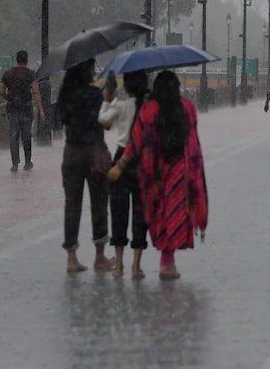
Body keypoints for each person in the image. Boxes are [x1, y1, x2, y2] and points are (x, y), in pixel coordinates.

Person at [109, 71, 208, 281]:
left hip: (154, 172)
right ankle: (167, 262)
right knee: (174, 213)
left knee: (160, 214)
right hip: (180, 170)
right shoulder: (187, 107)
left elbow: (135, 141)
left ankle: (158, 260)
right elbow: (192, 139)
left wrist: (120, 165)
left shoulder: (148, 109)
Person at [57, 58, 112, 274]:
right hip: (95, 152)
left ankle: (72, 257)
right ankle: (100, 256)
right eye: (91, 67)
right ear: (85, 71)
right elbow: (104, 122)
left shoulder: (66, 96)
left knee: (72, 204)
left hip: (72, 153)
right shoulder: (94, 95)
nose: (94, 71)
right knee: (99, 202)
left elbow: (61, 121)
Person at [99, 70, 149, 279]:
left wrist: (108, 99)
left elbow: (104, 122)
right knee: (140, 213)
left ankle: (118, 265)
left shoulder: (120, 105)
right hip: (143, 161)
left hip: (121, 159)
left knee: (118, 211)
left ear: (126, 86)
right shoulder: (149, 107)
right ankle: (136, 266)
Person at [0, 50, 44, 172]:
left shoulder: (8, 74)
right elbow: (35, 91)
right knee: (26, 135)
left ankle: (15, 164)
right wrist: (41, 110)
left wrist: (9, 98)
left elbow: (1, 91)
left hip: (13, 108)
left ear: (17, 60)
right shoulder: (31, 74)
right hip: (26, 108)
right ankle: (27, 162)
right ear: (26, 60)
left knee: (14, 135)